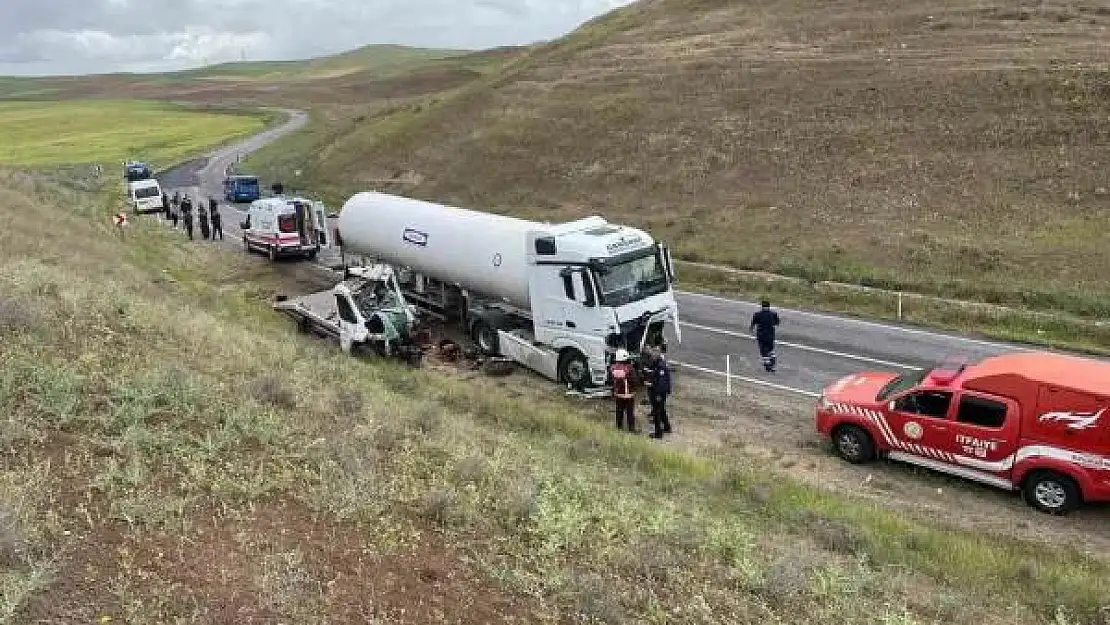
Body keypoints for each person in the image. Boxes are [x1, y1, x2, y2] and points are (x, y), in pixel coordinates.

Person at [643, 348, 673, 438]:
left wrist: (652, 385)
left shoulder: (660, 367)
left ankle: (658, 433)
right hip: (659, 391)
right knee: (662, 409)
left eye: (653, 355)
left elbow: (661, 383)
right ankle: (667, 427)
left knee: (657, 412)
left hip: (658, 392)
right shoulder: (658, 364)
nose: (652, 357)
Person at [609, 348, 637, 432]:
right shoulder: (630, 368)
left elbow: (610, 380)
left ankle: (619, 427)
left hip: (618, 394)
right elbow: (635, 380)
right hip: (629, 395)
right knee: (629, 413)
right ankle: (631, 429)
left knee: (619, 412)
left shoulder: (613, 368)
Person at [749, 300, 781, 372]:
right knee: (770, 348)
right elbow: (777, 323)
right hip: (770, 335)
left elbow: (753, 323)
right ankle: (772, 357)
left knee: (763, 350)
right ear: (769, 306)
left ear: (762, 306)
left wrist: (751, 328)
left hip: (761, 335)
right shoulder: (774, 314)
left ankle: (768, 365)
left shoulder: (757, 314)